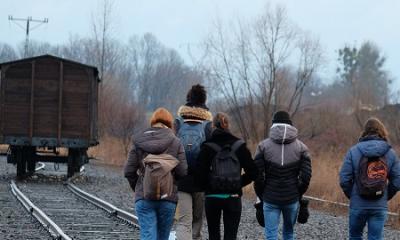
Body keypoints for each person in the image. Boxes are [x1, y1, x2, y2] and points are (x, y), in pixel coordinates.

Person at [124, 108, 187, 240]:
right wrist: (171, 182)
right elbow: (182, 171)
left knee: (148, 235)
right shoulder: (176, 142)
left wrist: (140, 187)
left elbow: (129, 171)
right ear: (169, 123)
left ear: (153, 121)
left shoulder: (139, 141)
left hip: (144, 198)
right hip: (168, 198)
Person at [195, 112, 258, 240]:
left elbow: (199, 176)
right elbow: (254, 172)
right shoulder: (239, 146)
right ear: (228, 125)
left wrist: (210, 185)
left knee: (213, 235)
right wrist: (238, 183)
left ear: (213, 126)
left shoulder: (207, 147)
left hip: (212, 198)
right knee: (231, 236)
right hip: (233, 197)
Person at [254, 110, 312, 240]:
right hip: (291, 198)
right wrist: (298, 192)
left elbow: (257, 176)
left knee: (270, 235)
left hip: (270, 197)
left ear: (273, 124)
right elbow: (306, 177)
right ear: (290, 125)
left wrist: (261, 194)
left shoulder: (262, 146)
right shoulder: (302, 148)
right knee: (289, 233)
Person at [339, 117, 400, 240]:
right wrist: (385, 195)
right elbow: (398, 180)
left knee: (355, 236)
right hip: (379, 204)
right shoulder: (390, 153)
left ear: (364, 131)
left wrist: (353, 195)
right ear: (382, 131)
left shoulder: (354, 151)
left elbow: (344, 179)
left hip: (358, 204)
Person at [175, 84, 213, 240]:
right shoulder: (208, 125)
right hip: (201, 181)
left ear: (188, 99)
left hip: (182, 178)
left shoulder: (178, 122)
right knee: (197, 220)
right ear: (204, 101)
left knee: (184, 221)